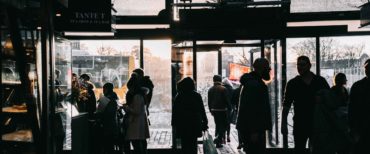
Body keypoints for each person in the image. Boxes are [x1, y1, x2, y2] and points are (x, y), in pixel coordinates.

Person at [281, 56, 330, 154]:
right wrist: (283, 124)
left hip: (317, 123)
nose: (299, 67)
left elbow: (330, 100)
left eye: (302, 65)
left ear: (309, 66)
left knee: (317, 150)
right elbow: (286, 104)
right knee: (300, 149)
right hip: (301, 123)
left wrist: (323, 99)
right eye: (298, 65)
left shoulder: (319, 81)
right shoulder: (293, 83)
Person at [236, 58, 272, 154]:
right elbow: (252, 109)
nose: (269, 70)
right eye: (267, 68)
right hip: (255, 129)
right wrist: (254, 131)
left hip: (251, 128)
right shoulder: (255, 85)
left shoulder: (251, 82)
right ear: (261, 69)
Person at [312, 73, 351, 154]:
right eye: (344, 79)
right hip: (339, 116)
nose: (346, 80)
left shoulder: (337, 89)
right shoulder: (340, 90)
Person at [172, 77, 208, 154]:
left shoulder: (179, 96)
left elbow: (175, 111)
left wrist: (174, 123)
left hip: (183, 124)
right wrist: (205, 121)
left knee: (184, 145)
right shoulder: (196, 95)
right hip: (194, 123)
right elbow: (202, 110)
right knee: (193, 144)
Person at [123, 72, 150, 154]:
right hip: (139, 122)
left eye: (130, 88)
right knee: (140, 143)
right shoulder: (141, 95)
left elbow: (136, 111)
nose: (129, 90)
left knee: (136, 144)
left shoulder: (137, 96)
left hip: (136, 122)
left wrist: (126, 108)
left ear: (133, 87)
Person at [349, 59, 370, 154]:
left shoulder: (357, 86)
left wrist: (352, 129)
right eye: (367, 68)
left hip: (361, 127)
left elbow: (352, 109)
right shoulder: (357, 86)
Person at [208, 75, 231, 148]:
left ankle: (218, 142)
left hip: (214, 110)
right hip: (222, 110)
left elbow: (209, 101)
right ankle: (218, 138)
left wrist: (210, 110)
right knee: (224, 125)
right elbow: (226, 100)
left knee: (217, 125)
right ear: (220, 80)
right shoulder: (223, 89)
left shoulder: (210, 89)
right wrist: (230, 108)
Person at [96, 83, 119, 154]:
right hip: (114, 125)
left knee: (106, 145)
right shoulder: (115, 98)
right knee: (111, 145)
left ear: (106, 89)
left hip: (106, 125)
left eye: (104, 89)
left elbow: (99, 112)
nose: (103, 91)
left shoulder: (105, 99)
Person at [231, 84, 243, 149]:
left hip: (238, 110)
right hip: (248, 111)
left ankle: (240, 142)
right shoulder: (249, 90)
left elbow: (232, 101)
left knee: (239, 127)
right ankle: (245, 142)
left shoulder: (236, 91)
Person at [222, 78, 234, 143]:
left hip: (223, 108)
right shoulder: (232, 89)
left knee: (223, 123)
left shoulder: (222, 89)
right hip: (230, 108)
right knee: (228, 123)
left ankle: (223, 138)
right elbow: (233, 99)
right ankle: (228, 136)